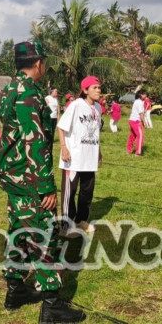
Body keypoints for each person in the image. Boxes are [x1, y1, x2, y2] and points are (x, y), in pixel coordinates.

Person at [0, 41, 85, 322]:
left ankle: (15, 289)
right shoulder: (29, 95)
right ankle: (52, 305)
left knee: (20, 231)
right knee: (44, 236)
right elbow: (34, 141)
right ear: (38, 64)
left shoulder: (11, 89)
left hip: (13, 173)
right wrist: (46, 186)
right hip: (29, 177)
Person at [58, 76, 102, 235]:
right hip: (73, 158)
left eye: (99, 87)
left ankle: (80, 220)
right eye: (94, 87)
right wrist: (64, 147)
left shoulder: (98, 107)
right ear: (85, 90)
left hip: (89, 157)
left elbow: (96, 131)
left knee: (87, 192)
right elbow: (61, 127)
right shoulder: (76, 105)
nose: (98, 90)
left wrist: (99, 151)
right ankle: (65, 226)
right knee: (70, 192)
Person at [127, 90, 148, 156]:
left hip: (132, 120)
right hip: (135, 121)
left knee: (132, 136)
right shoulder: (139, 102)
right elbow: (141, 113)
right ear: (141, 95)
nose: (146, 96)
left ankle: (129, 150)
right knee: (140, 136)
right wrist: (144, 122)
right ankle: (138, 152)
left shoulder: (137, 101)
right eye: (144, 94)